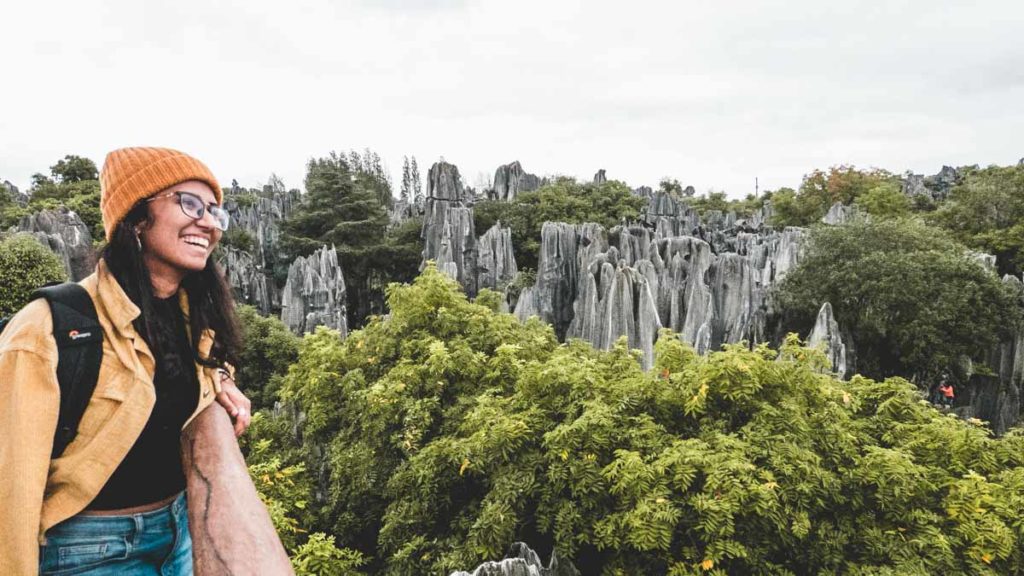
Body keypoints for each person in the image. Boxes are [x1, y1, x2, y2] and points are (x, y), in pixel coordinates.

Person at [0, 147, 253, 575]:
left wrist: (221, 380)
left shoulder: (194, 317)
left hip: (179, 532)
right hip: (88, 550)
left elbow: (182, 373)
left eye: (214, 211)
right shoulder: (44, 330)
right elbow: (10, 487)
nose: (208, 222)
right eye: (189, 204)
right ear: (136, 218)